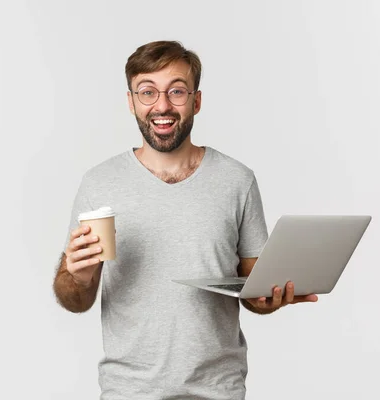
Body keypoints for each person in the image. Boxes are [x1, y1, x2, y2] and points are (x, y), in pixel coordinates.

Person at [53, 40, 318, 400]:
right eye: (147, 92)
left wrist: (267, 298)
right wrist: (78, 278)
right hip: (128, 392)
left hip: (218, 391)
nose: (162, 105)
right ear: (131, 102)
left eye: (176, 91)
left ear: (196, 101)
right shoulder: (100, 183)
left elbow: (252, 287)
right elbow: (75, 297)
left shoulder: (236, 180)